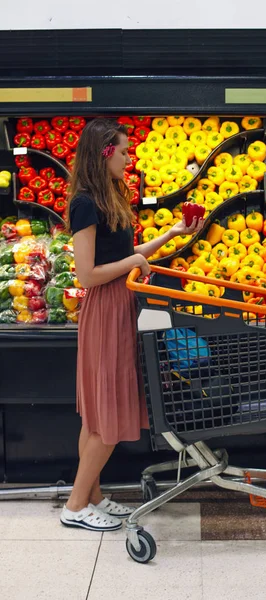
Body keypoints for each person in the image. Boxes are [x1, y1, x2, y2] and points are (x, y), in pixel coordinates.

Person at [60, 118, 204, 531]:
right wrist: (134, 264)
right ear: (104, 153)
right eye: (123, 151)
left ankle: (94, 496)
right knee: (106, 414)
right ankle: (74, 507)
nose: (129, 157)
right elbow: (87, 274)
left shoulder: (108, 197)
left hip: (120, 305)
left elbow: (128, 252)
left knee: (96, 418)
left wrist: (171, 234)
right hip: (106, 310)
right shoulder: (85, 203)